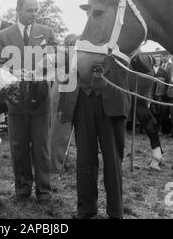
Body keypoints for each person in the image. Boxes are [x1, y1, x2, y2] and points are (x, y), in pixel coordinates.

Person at [58, 52, 152, 219]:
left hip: (113, 101)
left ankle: (115, 211)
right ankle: (86, 209)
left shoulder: (123, 35)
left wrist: (138, 56)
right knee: (85, 157)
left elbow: (142, 65)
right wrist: (63, 104)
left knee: (113, 158)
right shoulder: (81, 42)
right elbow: (68, 71)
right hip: (82, 99)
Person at [0, 0, 57, 204]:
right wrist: (12, 74)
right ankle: (22, 190)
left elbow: (57, 59)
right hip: (16, 99)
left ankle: (44, 191)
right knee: (18, 146)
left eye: (36, 9)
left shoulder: (46, 33)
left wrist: (44, 66)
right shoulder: (3, 35)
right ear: (18, 10)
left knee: (42, 146)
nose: (34, 14)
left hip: (41, 99)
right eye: (30, 10)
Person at [50, 34, 78, 173]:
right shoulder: (65, 56)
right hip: (62, 94)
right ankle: (55, 165)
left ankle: (62, 161)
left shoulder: (69, 55)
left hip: (65, 92)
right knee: (60, 132)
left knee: (63, 133)